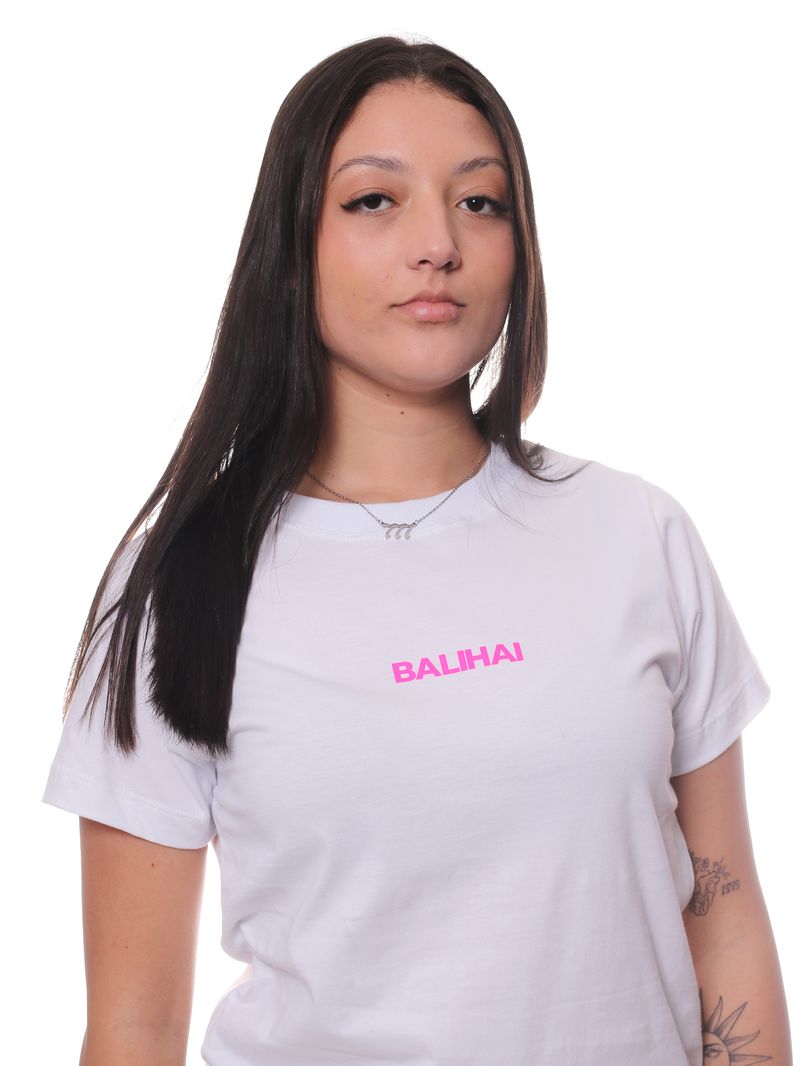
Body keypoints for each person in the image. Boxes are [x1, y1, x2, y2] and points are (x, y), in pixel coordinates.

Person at [41, 34, 791, 1066]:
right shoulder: (181, 581)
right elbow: (136, 1027)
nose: (437, 243)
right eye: (373, 201)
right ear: (290, 245)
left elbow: (725, 924)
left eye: (479, 201)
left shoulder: (635, 533)